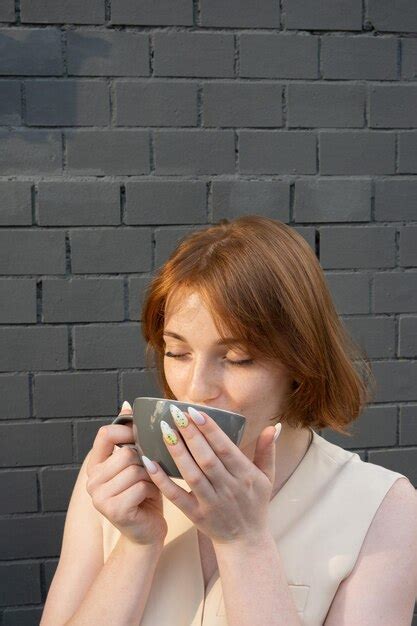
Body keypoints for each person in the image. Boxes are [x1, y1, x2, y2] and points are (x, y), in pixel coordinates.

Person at [40, 216, 417, 626]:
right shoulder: (114, 481)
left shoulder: (383, 510)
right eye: (177, 353)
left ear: (300, 362)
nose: (196, 389)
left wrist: (245, 543)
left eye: (238, 358)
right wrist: (136, 546)